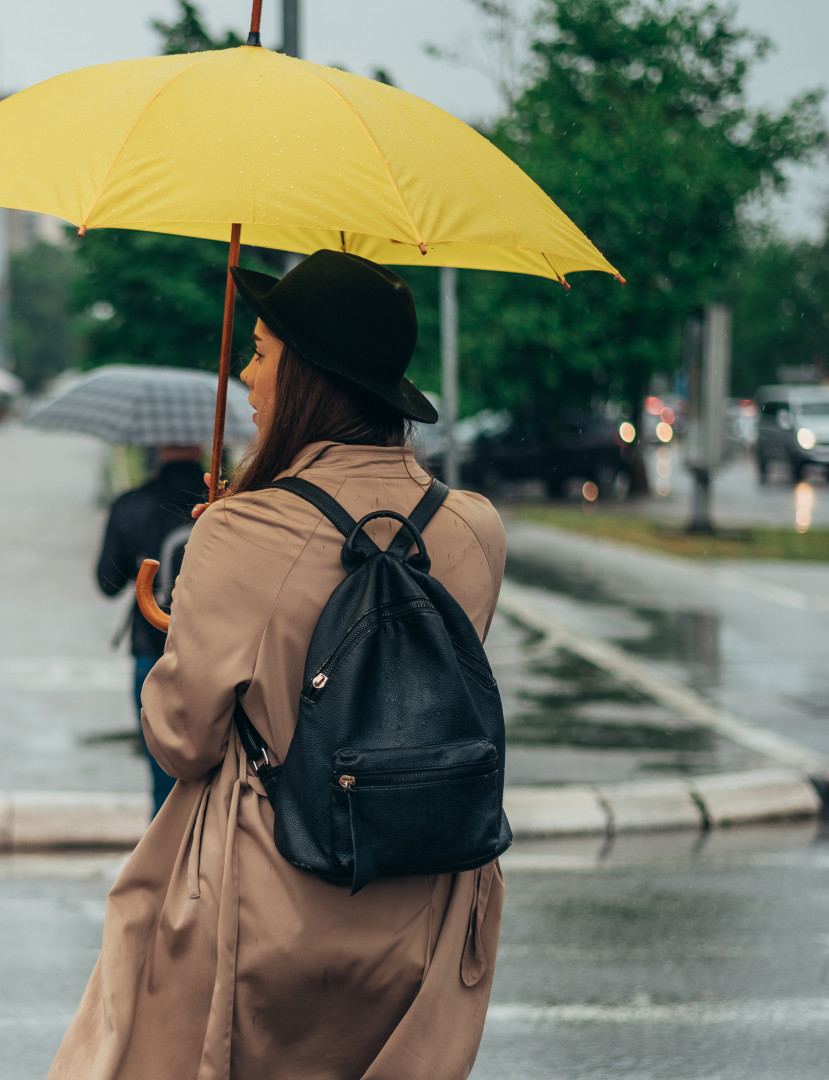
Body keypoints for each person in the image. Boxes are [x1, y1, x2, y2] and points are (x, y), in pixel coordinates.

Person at [48, 251, 508, 1080]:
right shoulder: (477, 530)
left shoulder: (237, 532)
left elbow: (185, 741)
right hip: (430, 916)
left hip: (270, 914)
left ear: (305, 376)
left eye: (260, 354)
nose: (248, 379)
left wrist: (198, 605)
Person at [95, 444, 207, 815]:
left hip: (152, 650)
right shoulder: (227, 505)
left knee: (162, 776)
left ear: (157, 446)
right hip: (216, 654)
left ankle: (162, 863)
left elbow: (108, 583)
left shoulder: (132, 504)